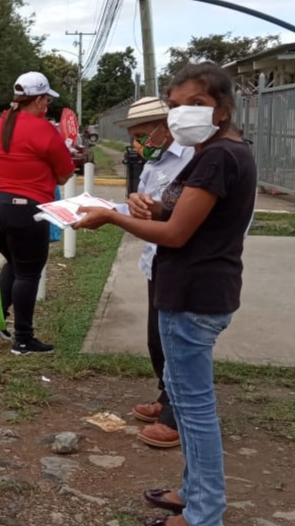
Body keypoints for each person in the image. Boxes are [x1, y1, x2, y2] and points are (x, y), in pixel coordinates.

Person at [75, 63, 257, 526]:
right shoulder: (216, 151)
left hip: (194, 293)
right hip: (197, 288)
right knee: (185, 398)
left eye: (196, 104)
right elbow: (184, 216)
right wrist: (150, 206)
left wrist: (112, 217)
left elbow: (176, 235)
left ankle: (203, 514)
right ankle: (194, 494)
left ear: (222, 109)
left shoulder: (218, 156)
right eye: (175, 105)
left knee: (193, 412)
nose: (182, 114)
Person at [113, 97, 194, 450]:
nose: (138, 145)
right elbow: (142, 209)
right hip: (156, 260)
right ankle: (166, 394)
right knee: (157, 339)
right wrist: (117, 208)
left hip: (184, 263)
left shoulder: (193, 159)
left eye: (142, 135)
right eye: (133, 138)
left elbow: (179, 217)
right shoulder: (154, 163)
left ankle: (178, 414)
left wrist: (114, 216)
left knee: (178, 341)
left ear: (166, 126)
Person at [0, 72, 75, 355]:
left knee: (15, 262)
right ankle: (23, 339)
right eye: (47, 100)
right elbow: (65, 173)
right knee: (29, 272)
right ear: (39, 100)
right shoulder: (44, 130)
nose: (47, 105)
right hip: (25, 211)